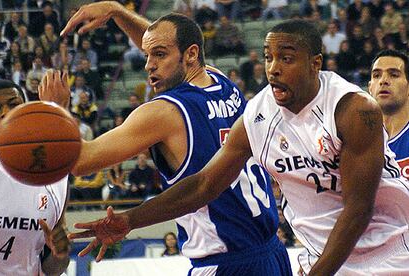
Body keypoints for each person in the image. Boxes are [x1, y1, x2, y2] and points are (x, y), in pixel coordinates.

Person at [64, 19, 409, 275]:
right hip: (311, 256)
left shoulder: (353, 110)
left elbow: (358, 211)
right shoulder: (254, 111)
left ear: (315, 64)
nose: (273, 68)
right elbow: (204, 185)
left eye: (286, 59)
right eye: (268, 57)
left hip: (391, 251)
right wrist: (129, 219)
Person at [48, 2, 291, 275]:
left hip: (225, 263)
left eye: (158, 55)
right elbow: (167, 42)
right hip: (272, 252)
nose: (149, 66)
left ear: (191, 54)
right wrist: (117, 12)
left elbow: (79, 162)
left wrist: (55, 110)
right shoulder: (221, 81)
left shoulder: (164, 112)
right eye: (147, 56)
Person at [0, 79, 70, 275]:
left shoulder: (55, 174)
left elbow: (53, 269)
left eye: (13, 104)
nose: (5, 112)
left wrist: (59, 253)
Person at [369, 49, 409, 180]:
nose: (383, 81)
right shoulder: (356, 139)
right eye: (376, 75)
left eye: (393, 74)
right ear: (369, 88)